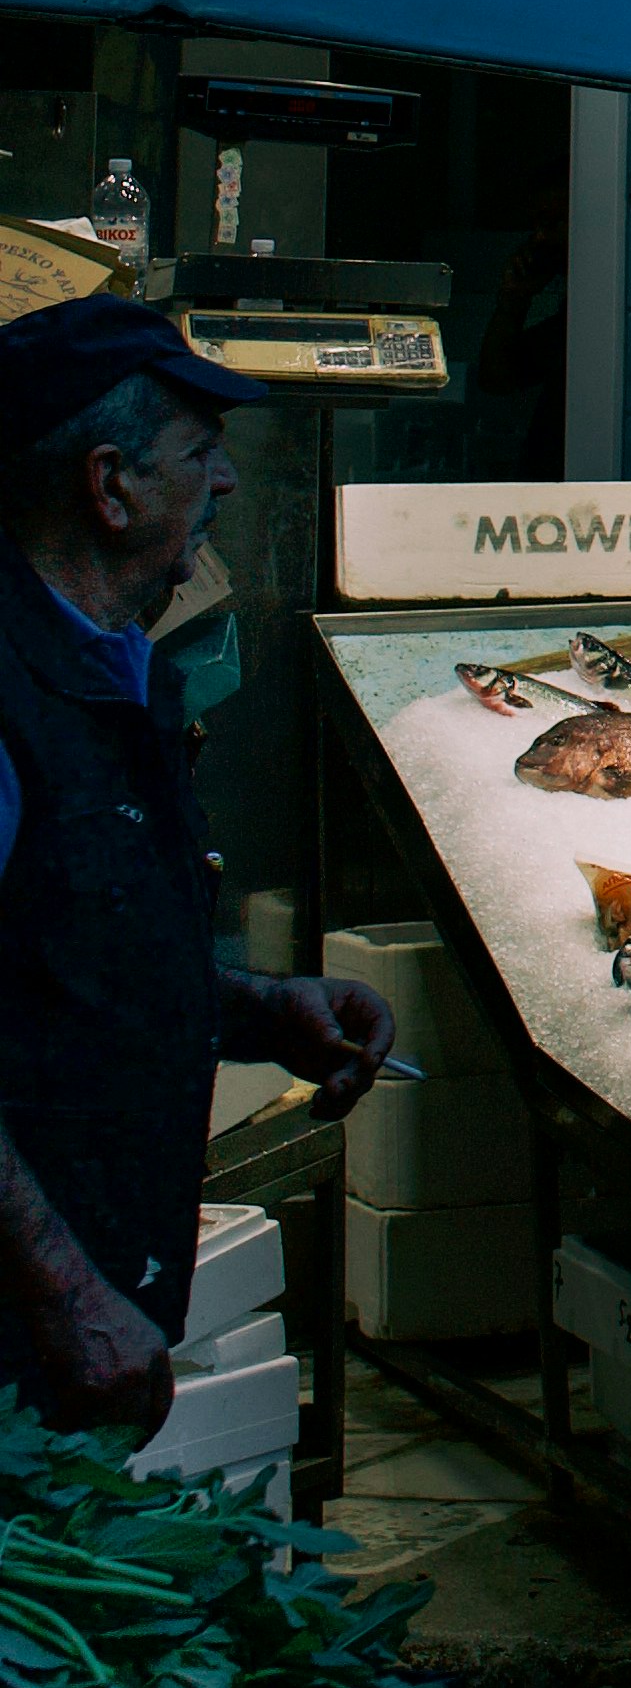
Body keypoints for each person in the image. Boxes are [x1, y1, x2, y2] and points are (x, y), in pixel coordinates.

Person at [0, 294, 395, 1437]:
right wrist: (69, 1297)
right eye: (200, 453)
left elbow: (65, 952)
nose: (222, 484)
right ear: (111, 484)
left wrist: (262, 1008)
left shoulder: (124, 671)